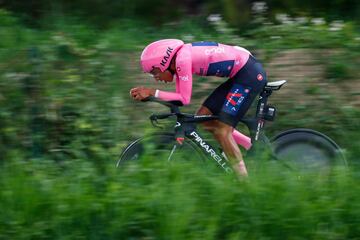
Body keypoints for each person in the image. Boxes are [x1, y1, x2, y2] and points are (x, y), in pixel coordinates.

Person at [130, 39, 267, 177]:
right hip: (242, 72)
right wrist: (150, 96)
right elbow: (178, 99)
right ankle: (251, 147)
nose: (156, 78)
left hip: (249, 75)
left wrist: (152, 93)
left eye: (154, 72)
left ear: (163, 62)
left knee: (222, 130)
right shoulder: (179, 59)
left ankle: (244, 183)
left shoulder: (182, 60)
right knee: (204, 117)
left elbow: (184, 99)